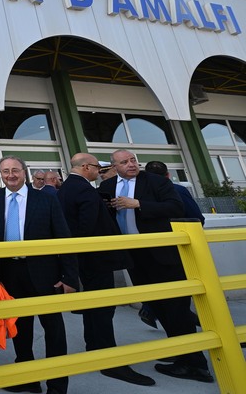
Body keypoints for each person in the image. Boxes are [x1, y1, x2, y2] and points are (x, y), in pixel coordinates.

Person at [99, 149, 213, 384]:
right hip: (135, 258)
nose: (131, 164)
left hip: (163, 256)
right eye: (124, 162)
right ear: (114, 167)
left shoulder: (156, 182)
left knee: (177, 309)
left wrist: (138, 203)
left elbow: (175, 208)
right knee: (157, 307)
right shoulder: (108, 187)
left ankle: (197, 365)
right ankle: (182, 354)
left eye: (133, 160)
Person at [0, 155, 78, 394]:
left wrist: (69, 276)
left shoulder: (45, 199)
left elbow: (63, 237)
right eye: (5, 171)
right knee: (20, 328)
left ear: (24, 172)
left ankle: (57, 385)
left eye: (15, 170)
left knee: (53, 329)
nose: (10, 175)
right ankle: (28, 378)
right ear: (0, 175)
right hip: (10, 273)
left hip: (46, 273)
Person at [58, 153, 154, 386]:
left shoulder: (66, 189)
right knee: (102, 309)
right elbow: (88, 227)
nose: (98, 171)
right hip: (96, 259)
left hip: (82, 260)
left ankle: (94, 347)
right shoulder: (84, 190)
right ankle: (108, 357)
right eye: (96, 168)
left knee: (93, 307)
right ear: (85, 167)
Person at [136, 160, 205, 330]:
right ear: (168, 175)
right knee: (182, 295)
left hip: (152, 252)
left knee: (167, 296)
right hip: (179, 249)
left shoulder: (139, 194)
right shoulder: (177, 189)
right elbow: (196, 218)